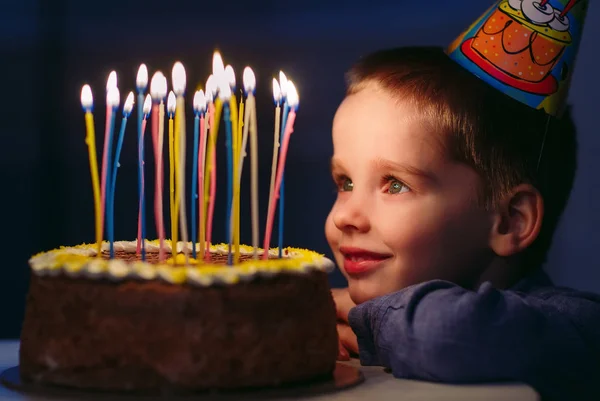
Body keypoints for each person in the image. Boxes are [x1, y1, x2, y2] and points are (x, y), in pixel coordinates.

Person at [326, 2, 599, 399]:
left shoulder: (576, 328)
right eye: (345, 182)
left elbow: (447, 335)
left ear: (509, 221)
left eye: (395, 185)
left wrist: (360, 317)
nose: (346, 217)